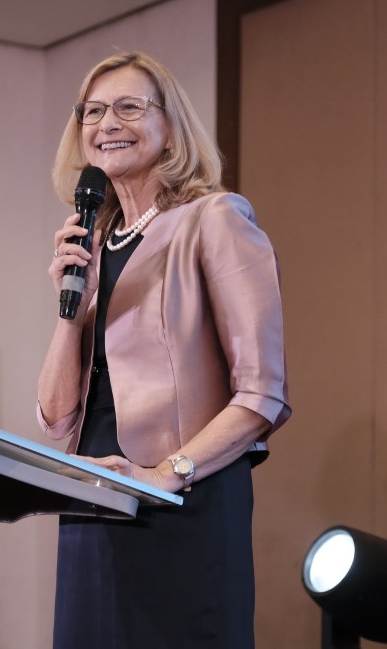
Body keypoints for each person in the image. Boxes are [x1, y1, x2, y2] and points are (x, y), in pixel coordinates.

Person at [36, 50, 292, 649]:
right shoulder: (95, 241)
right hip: (94, 501)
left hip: (182, 504)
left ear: (171, 127)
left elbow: (263, 394)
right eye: (93, 111)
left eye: (129, 107)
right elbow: (56, 418)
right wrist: (72, 310)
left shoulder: (216, 219)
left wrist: (162, 476)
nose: (107, 123)